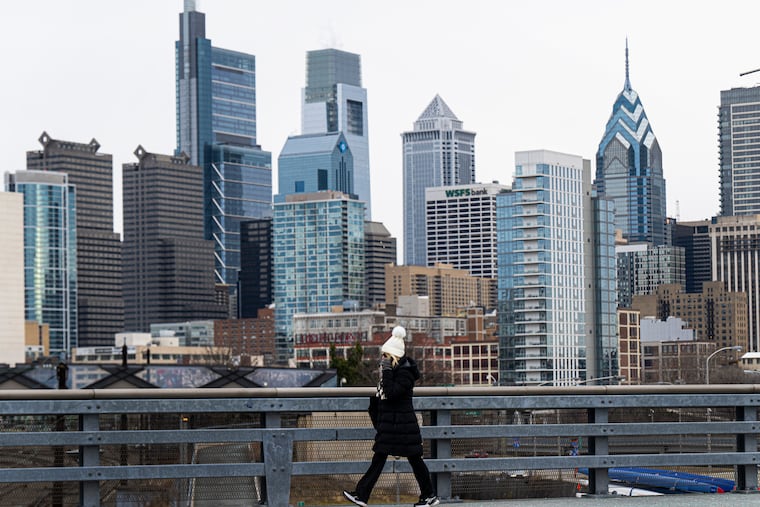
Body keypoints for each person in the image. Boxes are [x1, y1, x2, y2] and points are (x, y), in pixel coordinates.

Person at [343, 326, 439, 507]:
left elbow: (392, 393)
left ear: (393, 356)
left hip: (403, 427)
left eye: (385, 356)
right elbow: (382, 398)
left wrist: (386, 372)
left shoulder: (405, 373)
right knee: (380, 459)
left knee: (414, 460)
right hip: (392, 426)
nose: (382, 360)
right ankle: (362, 495)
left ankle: (429, 495)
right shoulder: (396, 372)